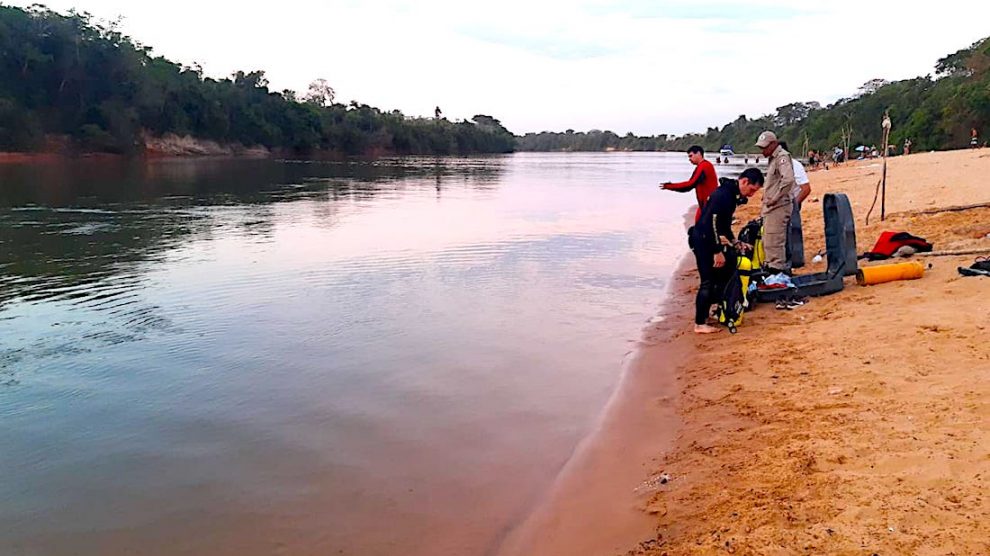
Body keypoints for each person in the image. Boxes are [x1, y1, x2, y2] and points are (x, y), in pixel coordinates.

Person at [690, 168, 764, 334]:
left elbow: (724, 225)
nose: (752, 195)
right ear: (744, 182)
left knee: (717, 278)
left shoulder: (731, 194)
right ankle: (699, 324)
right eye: (752, 190)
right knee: (708, 281)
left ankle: (707, 315)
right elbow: (712, 224)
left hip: (706, 236)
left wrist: (735, 242)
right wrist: (717, 251)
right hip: (702, 238)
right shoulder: (723, 195)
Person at [755, 130, 796, 275]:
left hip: (779, 206)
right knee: (768, 239)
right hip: (772, 207)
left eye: (765, 147)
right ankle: (772, 268)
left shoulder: (782, 157)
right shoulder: (773, 158)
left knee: (775, 240)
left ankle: (777, 272)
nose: (762, 151)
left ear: (774, 144)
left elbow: (788, 180)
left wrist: (775, 198)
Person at [660, 145, 719, 223]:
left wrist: (670, 186)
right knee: (698, 230)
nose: (689, 159)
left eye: (691, 156)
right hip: (705, 205)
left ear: (698, 153)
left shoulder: (704, 166)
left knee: (703, 231)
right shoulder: (702, 166)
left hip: (710, 205)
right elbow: (691, 184)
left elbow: (690, 185)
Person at [780, 141, 811, 268]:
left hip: (792, 203)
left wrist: (794, 205)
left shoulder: (795, 166)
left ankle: (794, 259)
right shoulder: (778, 165)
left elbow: (806, 189)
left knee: (792, 232)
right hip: (780, 206)